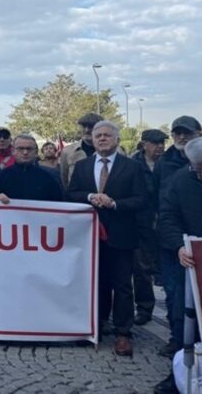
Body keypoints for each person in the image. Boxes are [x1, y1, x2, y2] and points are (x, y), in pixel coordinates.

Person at [66, 121, 148, 357]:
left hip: (121, 235)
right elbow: (71, 195)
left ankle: (123, 333)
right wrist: (91, 196)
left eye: (107, 136)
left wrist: (115, 203)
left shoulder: (131, 167)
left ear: (117, 140)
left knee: (122, 285)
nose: (102, 139)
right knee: (95, 282)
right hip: (89, 237)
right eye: (98, 135)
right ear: (92, 138)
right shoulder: (82, 167)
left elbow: (142, 199)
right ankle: (97, 325)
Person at [153, 137, 202, 393]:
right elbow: (167, 217)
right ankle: (182, 372)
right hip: (184, 261)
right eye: (197, 170)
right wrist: (178, 245)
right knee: (181, 316)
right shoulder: (179, 180)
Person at [155, 116, 202, 358]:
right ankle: (180, 348)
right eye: (177, 133)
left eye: (187, 133)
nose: (181, 138)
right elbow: (165, 211)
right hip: (175, 248)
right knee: (177, 300)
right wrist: (177, 245)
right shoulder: (168, 168)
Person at [130, 129, 167, 327]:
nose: (159, 146)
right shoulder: (133, 164)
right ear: (144, 144)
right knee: (141, 268)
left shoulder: (168, 163)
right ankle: (144, 308)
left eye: (162, 142)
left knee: (164, 268)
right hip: (141, 223)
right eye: (155, 143)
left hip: (164, 222)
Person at [0, 135, 63, 203]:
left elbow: (60, 204)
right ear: (13, 151)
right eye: (20, 149)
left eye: (29, 149)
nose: (25, 152)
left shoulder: (49, 177)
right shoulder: (1, 177)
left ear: (36, 152)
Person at [60, 112, 103, 189]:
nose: (86, 130)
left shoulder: (114, 151)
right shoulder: (67, 151)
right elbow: (64, 179)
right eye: (84, 126)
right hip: (76, 199)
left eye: (91, 126)